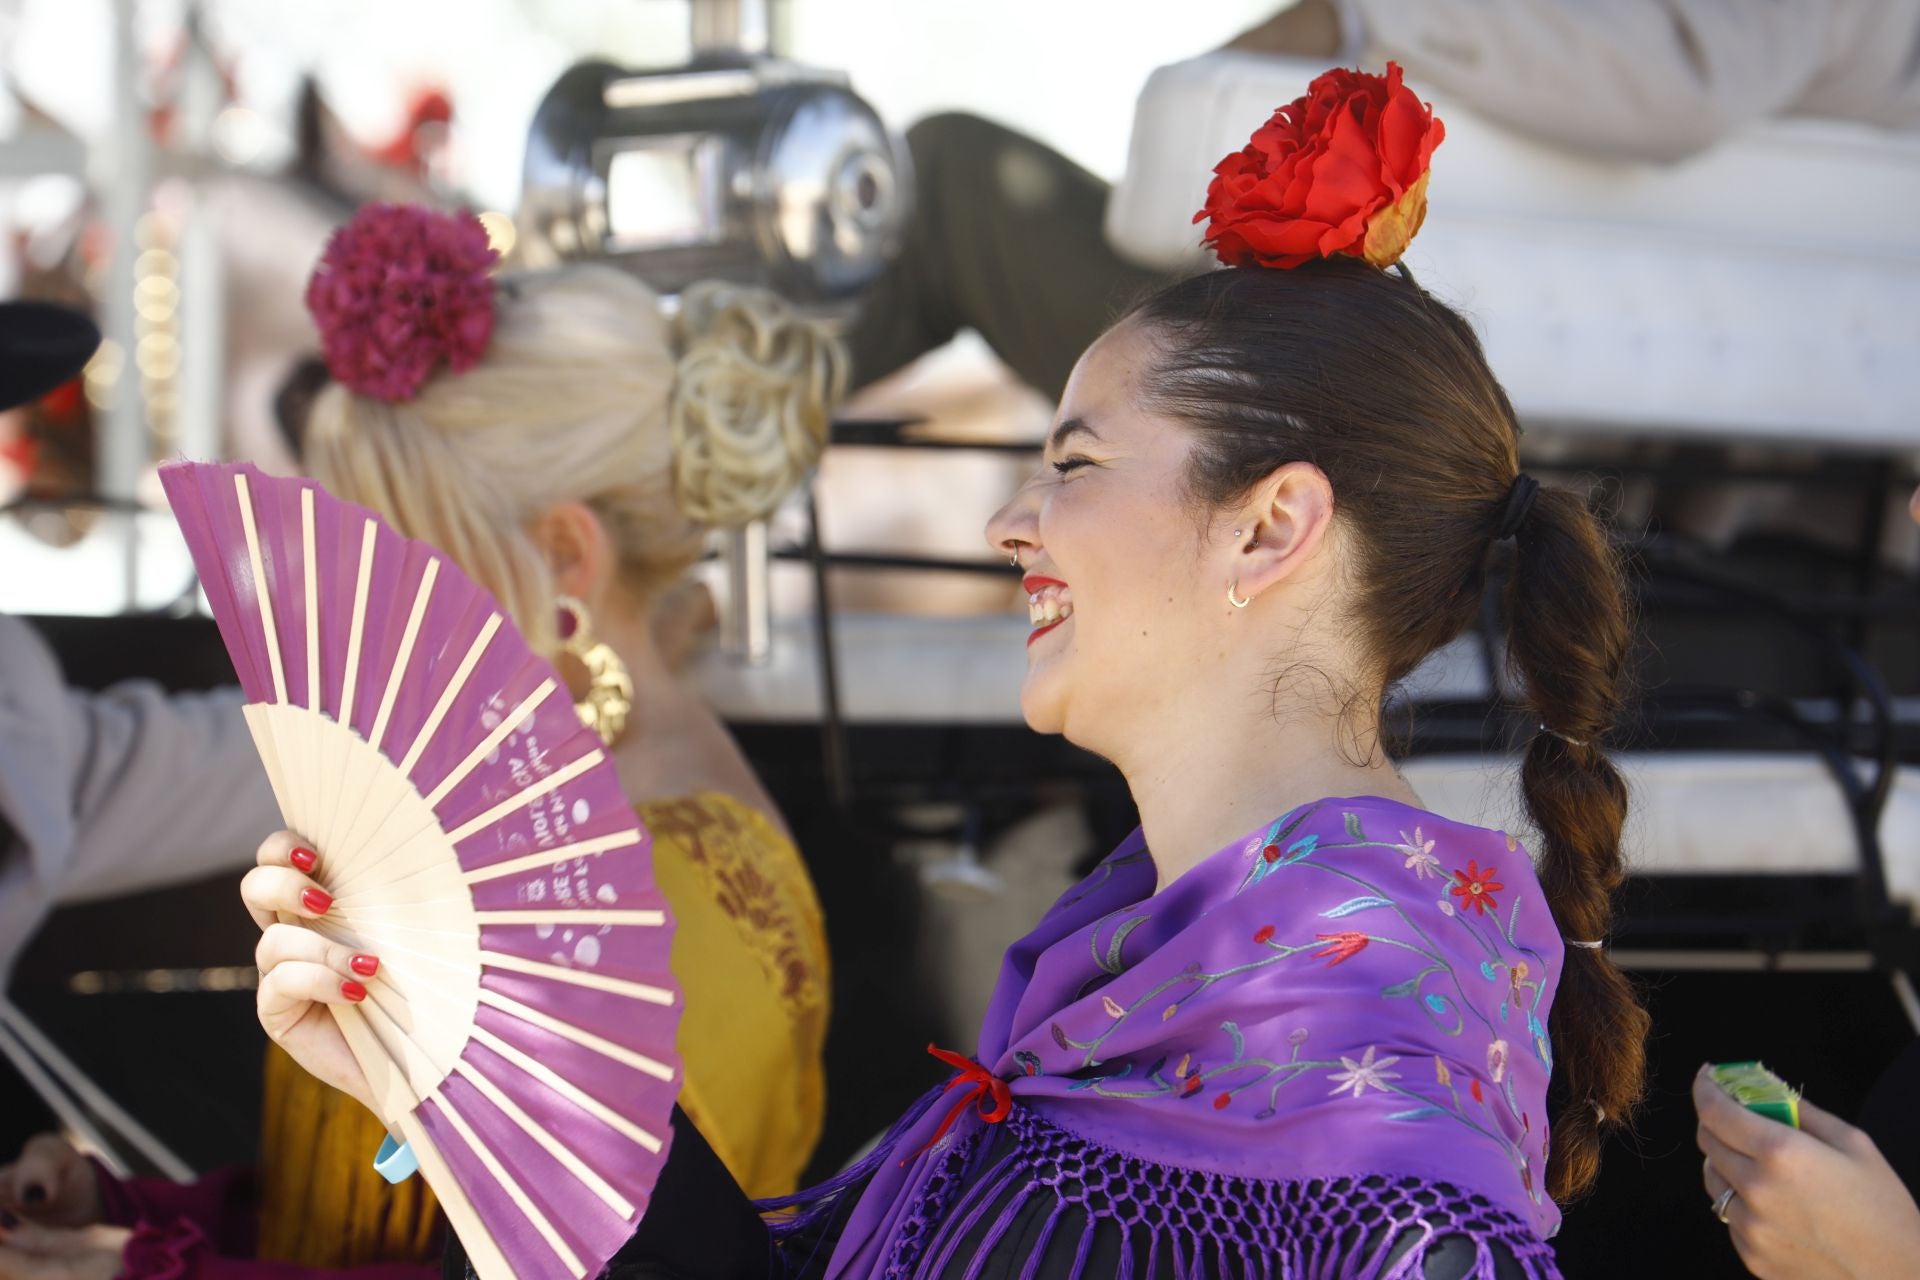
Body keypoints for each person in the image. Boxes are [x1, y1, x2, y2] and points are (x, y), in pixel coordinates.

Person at [247, 67, 1651, 1279]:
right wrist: (455, 1068)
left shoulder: (1367, 1078)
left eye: (1076, 466)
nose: (1009, 524)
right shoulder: (1139, 968)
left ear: (1273, 525)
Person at [0, 206, 843, 1278]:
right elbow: (361, 1213)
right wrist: (129, 1217)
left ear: (562, 556)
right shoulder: (521, 817)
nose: (355, 604)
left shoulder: (649, 897)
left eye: (401, 553)